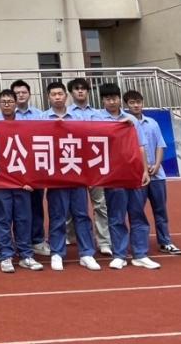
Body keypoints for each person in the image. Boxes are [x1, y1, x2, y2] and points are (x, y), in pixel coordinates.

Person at [98, 84, 158, 270]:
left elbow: (141, 146)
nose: (112, 102)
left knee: (137, 214)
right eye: (108, 99)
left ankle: (140, 254)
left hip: (133, 173)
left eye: (115, 98)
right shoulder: (97, 119)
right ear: (102, 101)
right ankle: (120, 255)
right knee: (116, 216)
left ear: (119, 99)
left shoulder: (131, 119)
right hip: (114, 175)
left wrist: (144, 170)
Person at [42, 81, 100, 272]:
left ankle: (87, 253)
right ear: (48, 97)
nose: (57, 97)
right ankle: (57, 253)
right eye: (53, 94)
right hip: (55, 176)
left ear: (66, 96)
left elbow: (90, 142)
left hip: (77, 174)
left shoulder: (78, 118)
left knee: (81, 215)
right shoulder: (42, 119)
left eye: (60, 94)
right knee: (57, 216)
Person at [124, 89, 181, 257]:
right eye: (132, 102)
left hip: (157, 175)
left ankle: (165, 242)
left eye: (138, 102)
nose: (136, 105)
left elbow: (160, 145)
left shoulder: (152, 123)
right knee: (136, 211)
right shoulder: (125, 123)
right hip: (137, 176)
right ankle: (138, 245)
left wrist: (157, 165)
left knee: (160, 210)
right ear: (126, 105)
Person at [0, 90, 43, 273]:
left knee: (23, 219)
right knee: (3, 219)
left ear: (15, 103)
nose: (7, 104)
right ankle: (5, 256)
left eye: (10, 101)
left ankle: (26, 255)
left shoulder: (25, 124)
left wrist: (31, 179)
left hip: (22, 181)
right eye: (3, 101)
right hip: (0, 181)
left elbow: (33, 152)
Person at [67, 77, 111, 257]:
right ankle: (71, 235)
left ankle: (104, 241)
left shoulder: (99, 114)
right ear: (71, 93)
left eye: (83, 88)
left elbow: (109, 134)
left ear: (88, 91)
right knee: (73, 206)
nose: (80, 91)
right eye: (76, 88)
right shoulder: (66, 114)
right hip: (73, 164)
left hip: (95, 164)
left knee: (100, 204)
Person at [12, 79, 49, 256]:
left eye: (23, 92)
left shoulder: (40, 115)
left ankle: (37, 240)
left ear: (29, 94)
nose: (20, 95)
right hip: (14, 167)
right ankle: (20, 242)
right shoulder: (4, 116)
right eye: (17, 93)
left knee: (36, 205)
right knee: (16, 208)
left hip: (35, 167)